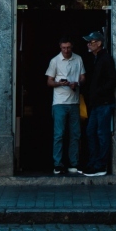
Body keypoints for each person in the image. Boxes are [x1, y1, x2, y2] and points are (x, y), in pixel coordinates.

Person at [80, 30, 116, 177]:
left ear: (99, 43)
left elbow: (114, 80)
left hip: (104, 103)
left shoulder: (105, 59)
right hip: (96, 103)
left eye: (91, 42)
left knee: (102, 134)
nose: (88, 45)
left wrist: (99, 91)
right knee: (91, 132)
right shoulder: (95, 59)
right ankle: (93, 162)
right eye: (88, 42)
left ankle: (101, 165)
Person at [45, 37, 86, 175]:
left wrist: (77, 83)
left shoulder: (78, 59)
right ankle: (58, 164)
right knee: (59, 134)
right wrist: (59, 83)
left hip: (74, 102)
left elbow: (83, 77)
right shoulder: (55, 61)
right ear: (60, 47)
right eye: (63, 48)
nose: (66, 50)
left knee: (75, 134)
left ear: (72, 46)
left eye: (68, 47)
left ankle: (74, 163)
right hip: (59, 103)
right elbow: (49, 81)